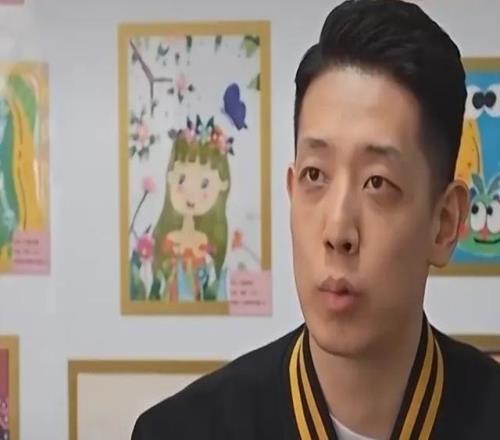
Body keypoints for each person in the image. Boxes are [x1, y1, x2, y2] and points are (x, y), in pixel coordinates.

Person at [131, 1, 500, 438]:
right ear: (291, 193)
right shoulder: (183, 430)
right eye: (315, 175)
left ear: (445, 222)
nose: (337, 231)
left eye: (378, 182)